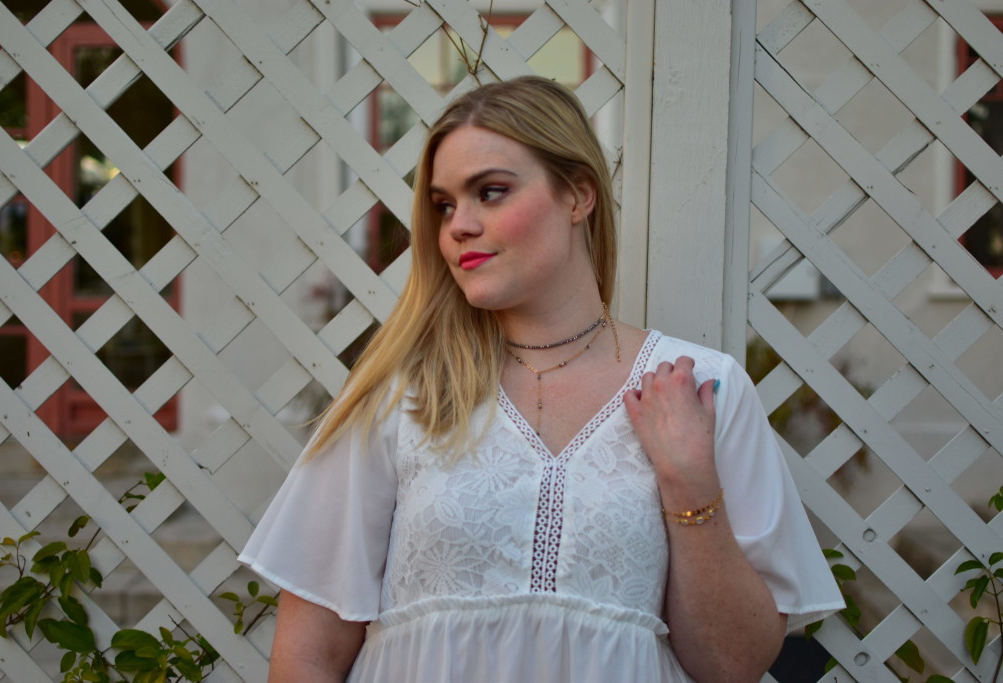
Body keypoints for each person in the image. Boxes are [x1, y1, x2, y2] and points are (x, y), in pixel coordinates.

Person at [239, 75, 844, 682]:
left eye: (491, 192)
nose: (458, 226)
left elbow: (733, 666)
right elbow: (308, 655)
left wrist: (690, 489)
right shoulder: (403, 393)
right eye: (444, 204)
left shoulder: (701, 388)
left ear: (578, 196)